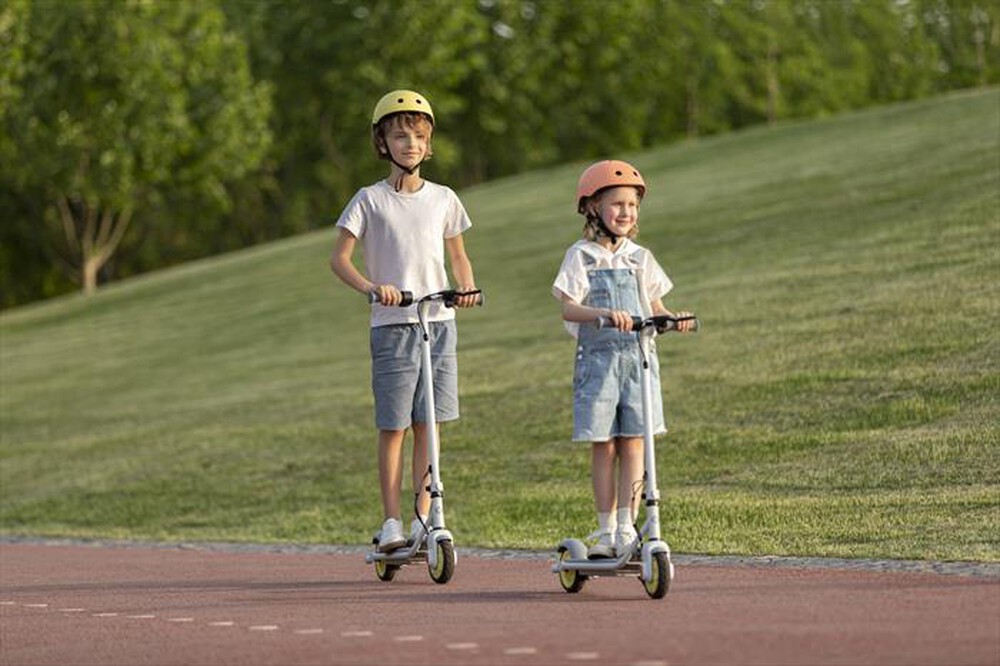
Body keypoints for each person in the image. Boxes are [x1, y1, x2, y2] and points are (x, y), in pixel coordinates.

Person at [329, 89, 478, 552]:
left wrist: (467, 287)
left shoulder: (444, 199)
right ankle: (392, 520)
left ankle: (426, 518)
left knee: (428, 426)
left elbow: (459, 256)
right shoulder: (369, 201)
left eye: (417, 135)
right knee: (394, 426)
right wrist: (374, 287)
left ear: (428, 144)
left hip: (438, 322)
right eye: (399, 135)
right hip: (392, 326)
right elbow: (339, 260)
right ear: (382, 143)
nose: (409, 143)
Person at [552, 159, 695, 558]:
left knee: (635, 443)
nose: (626, 213)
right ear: (592, 207)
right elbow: (568, 309)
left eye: (632, 206)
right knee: (605, 445)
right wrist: (601, 315)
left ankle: (627, 527)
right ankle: (604, 531)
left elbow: (655, 305)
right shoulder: (581, 257)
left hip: (639, 361)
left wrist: (673, 318)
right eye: (616, 204)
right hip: (599, 365)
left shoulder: (639, 257)